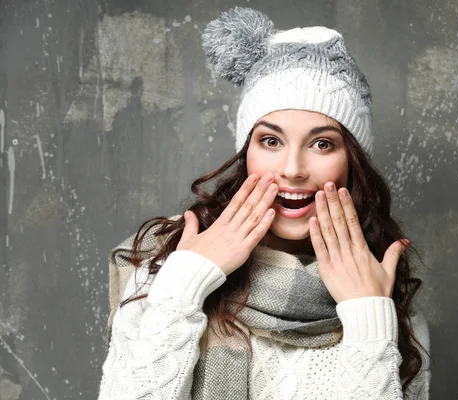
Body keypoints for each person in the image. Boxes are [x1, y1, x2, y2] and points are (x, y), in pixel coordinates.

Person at [97, 7, 431, 400]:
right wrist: (184, 286)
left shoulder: (386, 307)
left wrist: (367, 319)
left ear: (352, 162)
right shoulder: (168, 268)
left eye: (322, 143)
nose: (292, 170)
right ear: (246, 152)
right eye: (271, 141)